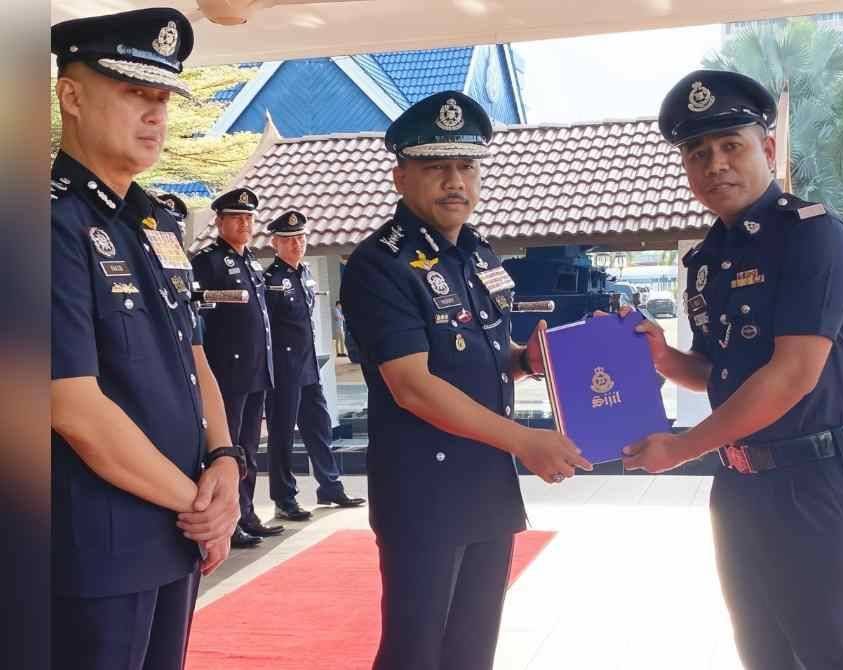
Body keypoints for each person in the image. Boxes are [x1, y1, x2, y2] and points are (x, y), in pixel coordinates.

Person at [620, 69, 843, 670]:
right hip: (741, 483)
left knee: (834, 655)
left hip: (821, 481)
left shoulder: (814, 237)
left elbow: (791, 376)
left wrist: (681, 448)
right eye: (698, 153)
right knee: (763, 652)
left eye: (730, 145)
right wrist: (663, 358)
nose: (715, 164)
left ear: (766, 149)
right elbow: (719, 373)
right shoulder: (709, 259)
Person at [340, 90, 592, 670]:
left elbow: (487, 355)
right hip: (424, 495)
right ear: (401, 176)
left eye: (466, 166)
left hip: (487, 484)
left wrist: (527, 360)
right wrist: (525, 440)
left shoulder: (478, 256)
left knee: (472, 651)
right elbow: (412, 385)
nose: (455, 181)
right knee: (415, 653)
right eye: (436, 167)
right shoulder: (381, 264)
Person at [50, 9, 244, 670]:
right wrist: (202, 507)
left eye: (163, 98)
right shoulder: (46, 222)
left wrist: (225, 459)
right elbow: (72, 406)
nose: (156, 114)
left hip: (174, 530)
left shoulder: (157, 221)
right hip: (96, 546)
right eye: (136, 92)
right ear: (71, 96)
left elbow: (194, 355)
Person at [192, 187, 283, 547]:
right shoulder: (209, 261)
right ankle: (227, 523)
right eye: (236, 218)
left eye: (248, 218)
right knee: (226, 450)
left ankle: (246, 513)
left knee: (249, 446)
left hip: (257, 369)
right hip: (227, 372)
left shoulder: (252, 261)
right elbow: (198, 314)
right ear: (219, 222)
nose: (244, 223)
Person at [263, 210, 366, 519]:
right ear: (275, 243)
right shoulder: (271, 281)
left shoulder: (305, 273)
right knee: (282, 434)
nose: (297, 244)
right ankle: (285, 498)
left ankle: (330, 487)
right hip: (283, 368)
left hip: (308, 365)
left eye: (301, 238)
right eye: (289, 240)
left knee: (319, 427)